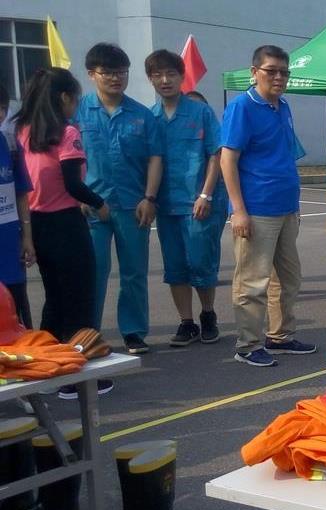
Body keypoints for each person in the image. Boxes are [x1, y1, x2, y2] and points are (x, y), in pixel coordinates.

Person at [13, 68, 114, 397]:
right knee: (80, 299)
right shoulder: (66, 133)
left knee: (55, 298)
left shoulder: (22, 131)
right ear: (64, 98)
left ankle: (45, 367)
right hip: (66, 224)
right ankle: (77, 376)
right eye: (75, 99)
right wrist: (99, 203)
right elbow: (72, 183)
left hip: (36, 223)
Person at [221, 44, 316, 367]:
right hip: (257, 209)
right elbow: (228, 160)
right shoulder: (242, 107)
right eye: (271, 71)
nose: (278, 78)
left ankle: (280, 336)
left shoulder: (282, 106)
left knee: (288, 278)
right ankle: (248, 344)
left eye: (284, 72)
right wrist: (238, 210)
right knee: (252, 281)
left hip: (286, 207)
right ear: (254, 72)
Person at [76, 43, 162, 355]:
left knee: (134, 272)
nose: (116, 78)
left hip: (132, 205)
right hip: (90, 206)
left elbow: (155, 158)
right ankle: (89, 335)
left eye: (121, 72)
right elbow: (66, 159)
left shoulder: (141, 114)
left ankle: (134, 332)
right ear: (91, 74)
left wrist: (149, 197)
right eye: (108, 72)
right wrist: (77, 195)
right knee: (93, 273)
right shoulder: (77, 113)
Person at [144, 49, 226, 348]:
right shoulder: (149, 117)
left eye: (171, 74)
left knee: (201, 263)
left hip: (198, 203)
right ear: (151, 79)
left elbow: (215, 154)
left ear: (181, 77)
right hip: (167, 205)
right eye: (157, 75)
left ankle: (208, 315)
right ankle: (186, 322)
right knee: (175, 266)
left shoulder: (200, 112)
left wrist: (205, 193)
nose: (165, 80)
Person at [0, 82, 33, 330]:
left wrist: (27, 238)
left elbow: (21, 194)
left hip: (9, 244)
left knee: (16, 315)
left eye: (1, 107)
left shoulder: (10, 144)